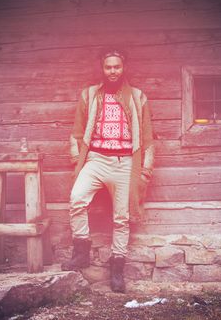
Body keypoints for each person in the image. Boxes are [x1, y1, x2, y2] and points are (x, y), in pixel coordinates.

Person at [61, 48, 155, 293]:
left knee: (121, 218)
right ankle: (81, 252)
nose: (113, 71)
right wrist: (76, 159)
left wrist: (145, 170)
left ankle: (117, 268)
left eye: (117, 67)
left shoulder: (138, 97)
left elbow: (147, 139)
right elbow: (77, 132)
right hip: (96, 160)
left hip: (125, 163)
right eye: (108, 67)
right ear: (102, 69)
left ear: (124, 68)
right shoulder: (90, 95)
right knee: (77, 199)